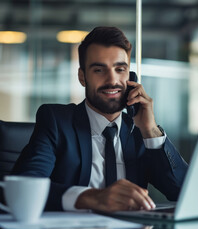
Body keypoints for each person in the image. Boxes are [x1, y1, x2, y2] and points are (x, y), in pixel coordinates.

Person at [12, 26, 188, 212]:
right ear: (82, 77)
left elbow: (183, 192)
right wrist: (91, 197)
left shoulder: (140, 132)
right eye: (99, 70)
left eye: (120, 69)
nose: (112, 80)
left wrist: (151, 130)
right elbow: (23, 189)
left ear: (130, 76)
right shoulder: (56, 122)